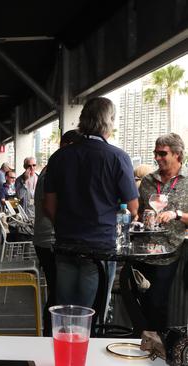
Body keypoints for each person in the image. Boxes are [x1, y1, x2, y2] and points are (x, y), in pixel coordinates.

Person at [44, 96, 139, 310]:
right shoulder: (117, 157)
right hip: (100, 247)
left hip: (65, 244)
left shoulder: (59, 157)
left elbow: (48, 206)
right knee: (93, 314)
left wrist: (65, 225)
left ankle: (65, 343)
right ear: (110, 121)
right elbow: (133, 209)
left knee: (65, 311)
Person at [134, 133, 187, 331]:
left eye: (162, 153)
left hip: (168, 253)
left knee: (157, 303)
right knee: (140, 302)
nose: (157, 157)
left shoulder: (187, 181)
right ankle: (139, 344)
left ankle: (157, 348)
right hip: (142, 251)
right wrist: (139, 217)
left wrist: (177, 214)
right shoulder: (148, 180)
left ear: (178, 155)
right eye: (156, 153)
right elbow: (137, 213)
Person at [33, 129, 83, 336]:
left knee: (57, 292)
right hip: (50, 239)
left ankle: (52, 334)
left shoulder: (51, 168)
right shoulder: (55, 170)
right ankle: (51, 336)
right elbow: (50, 206)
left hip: (46, 238)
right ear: (68, 145)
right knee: (58, 293)